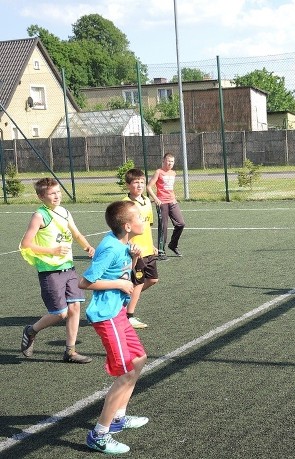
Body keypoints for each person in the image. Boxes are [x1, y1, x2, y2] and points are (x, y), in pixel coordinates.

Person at [79, 200, 149, 454]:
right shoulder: (109, 248)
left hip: (118, 312)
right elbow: (84, 283)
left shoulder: (124, 245)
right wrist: (119, 286)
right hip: (106, 316)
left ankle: (119, 417)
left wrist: (132, 260)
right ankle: (98, 435)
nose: (145, 220)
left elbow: (123, 275)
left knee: (139, 360)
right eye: (140, 217)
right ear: (128, 226)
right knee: (126, 372)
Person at [19, 178, 95, 363]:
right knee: (59, 313)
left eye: (58, 192)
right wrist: (52, 250)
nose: (57, 196)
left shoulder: (65, 212)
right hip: (50, 271)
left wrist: (88, 248)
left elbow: (76, 233)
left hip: (68, 268)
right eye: (52, 193)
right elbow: (25, 244)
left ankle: (70, 351)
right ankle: (31, 331)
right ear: (40, 196)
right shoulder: (40, 216)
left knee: (75, 307)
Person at [122, 168, 159, 329]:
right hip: (136, 252)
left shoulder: (146, 201)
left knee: (152, 280)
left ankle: (124, 301)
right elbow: (123, 228)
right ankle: (128, 316)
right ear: (128, 185)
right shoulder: (126, 204)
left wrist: (151, 245)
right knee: (137, 282)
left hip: (148, 249)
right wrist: (129, 245)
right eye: (136, 182)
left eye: (142, 182)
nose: (139, 185)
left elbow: (147, 225)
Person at [147, 153, 186, 260]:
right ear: (163, 161)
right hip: (162, 203)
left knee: (181, 224)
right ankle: (161, 251)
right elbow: (149, 187)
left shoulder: (173, 173)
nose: (170, 163)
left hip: (172, 202)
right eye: (168, 161)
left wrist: (174, 198)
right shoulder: (158, 172)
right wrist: (156, 198)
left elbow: (169, 189)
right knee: (163, 227)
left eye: (172, 161)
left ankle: (173, 245)